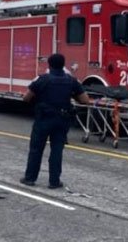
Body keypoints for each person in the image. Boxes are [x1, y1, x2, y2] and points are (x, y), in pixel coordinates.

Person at [20, 53, 91, 189]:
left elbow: (26, 98)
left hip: (43, 119)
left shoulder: (42, 79)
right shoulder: (71, 80)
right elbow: (85, 100)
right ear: (63, 65)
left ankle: (30, 178)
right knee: (57, 150)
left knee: (36, 149)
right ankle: (54, 181)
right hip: (62, 120)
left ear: (49, 65)